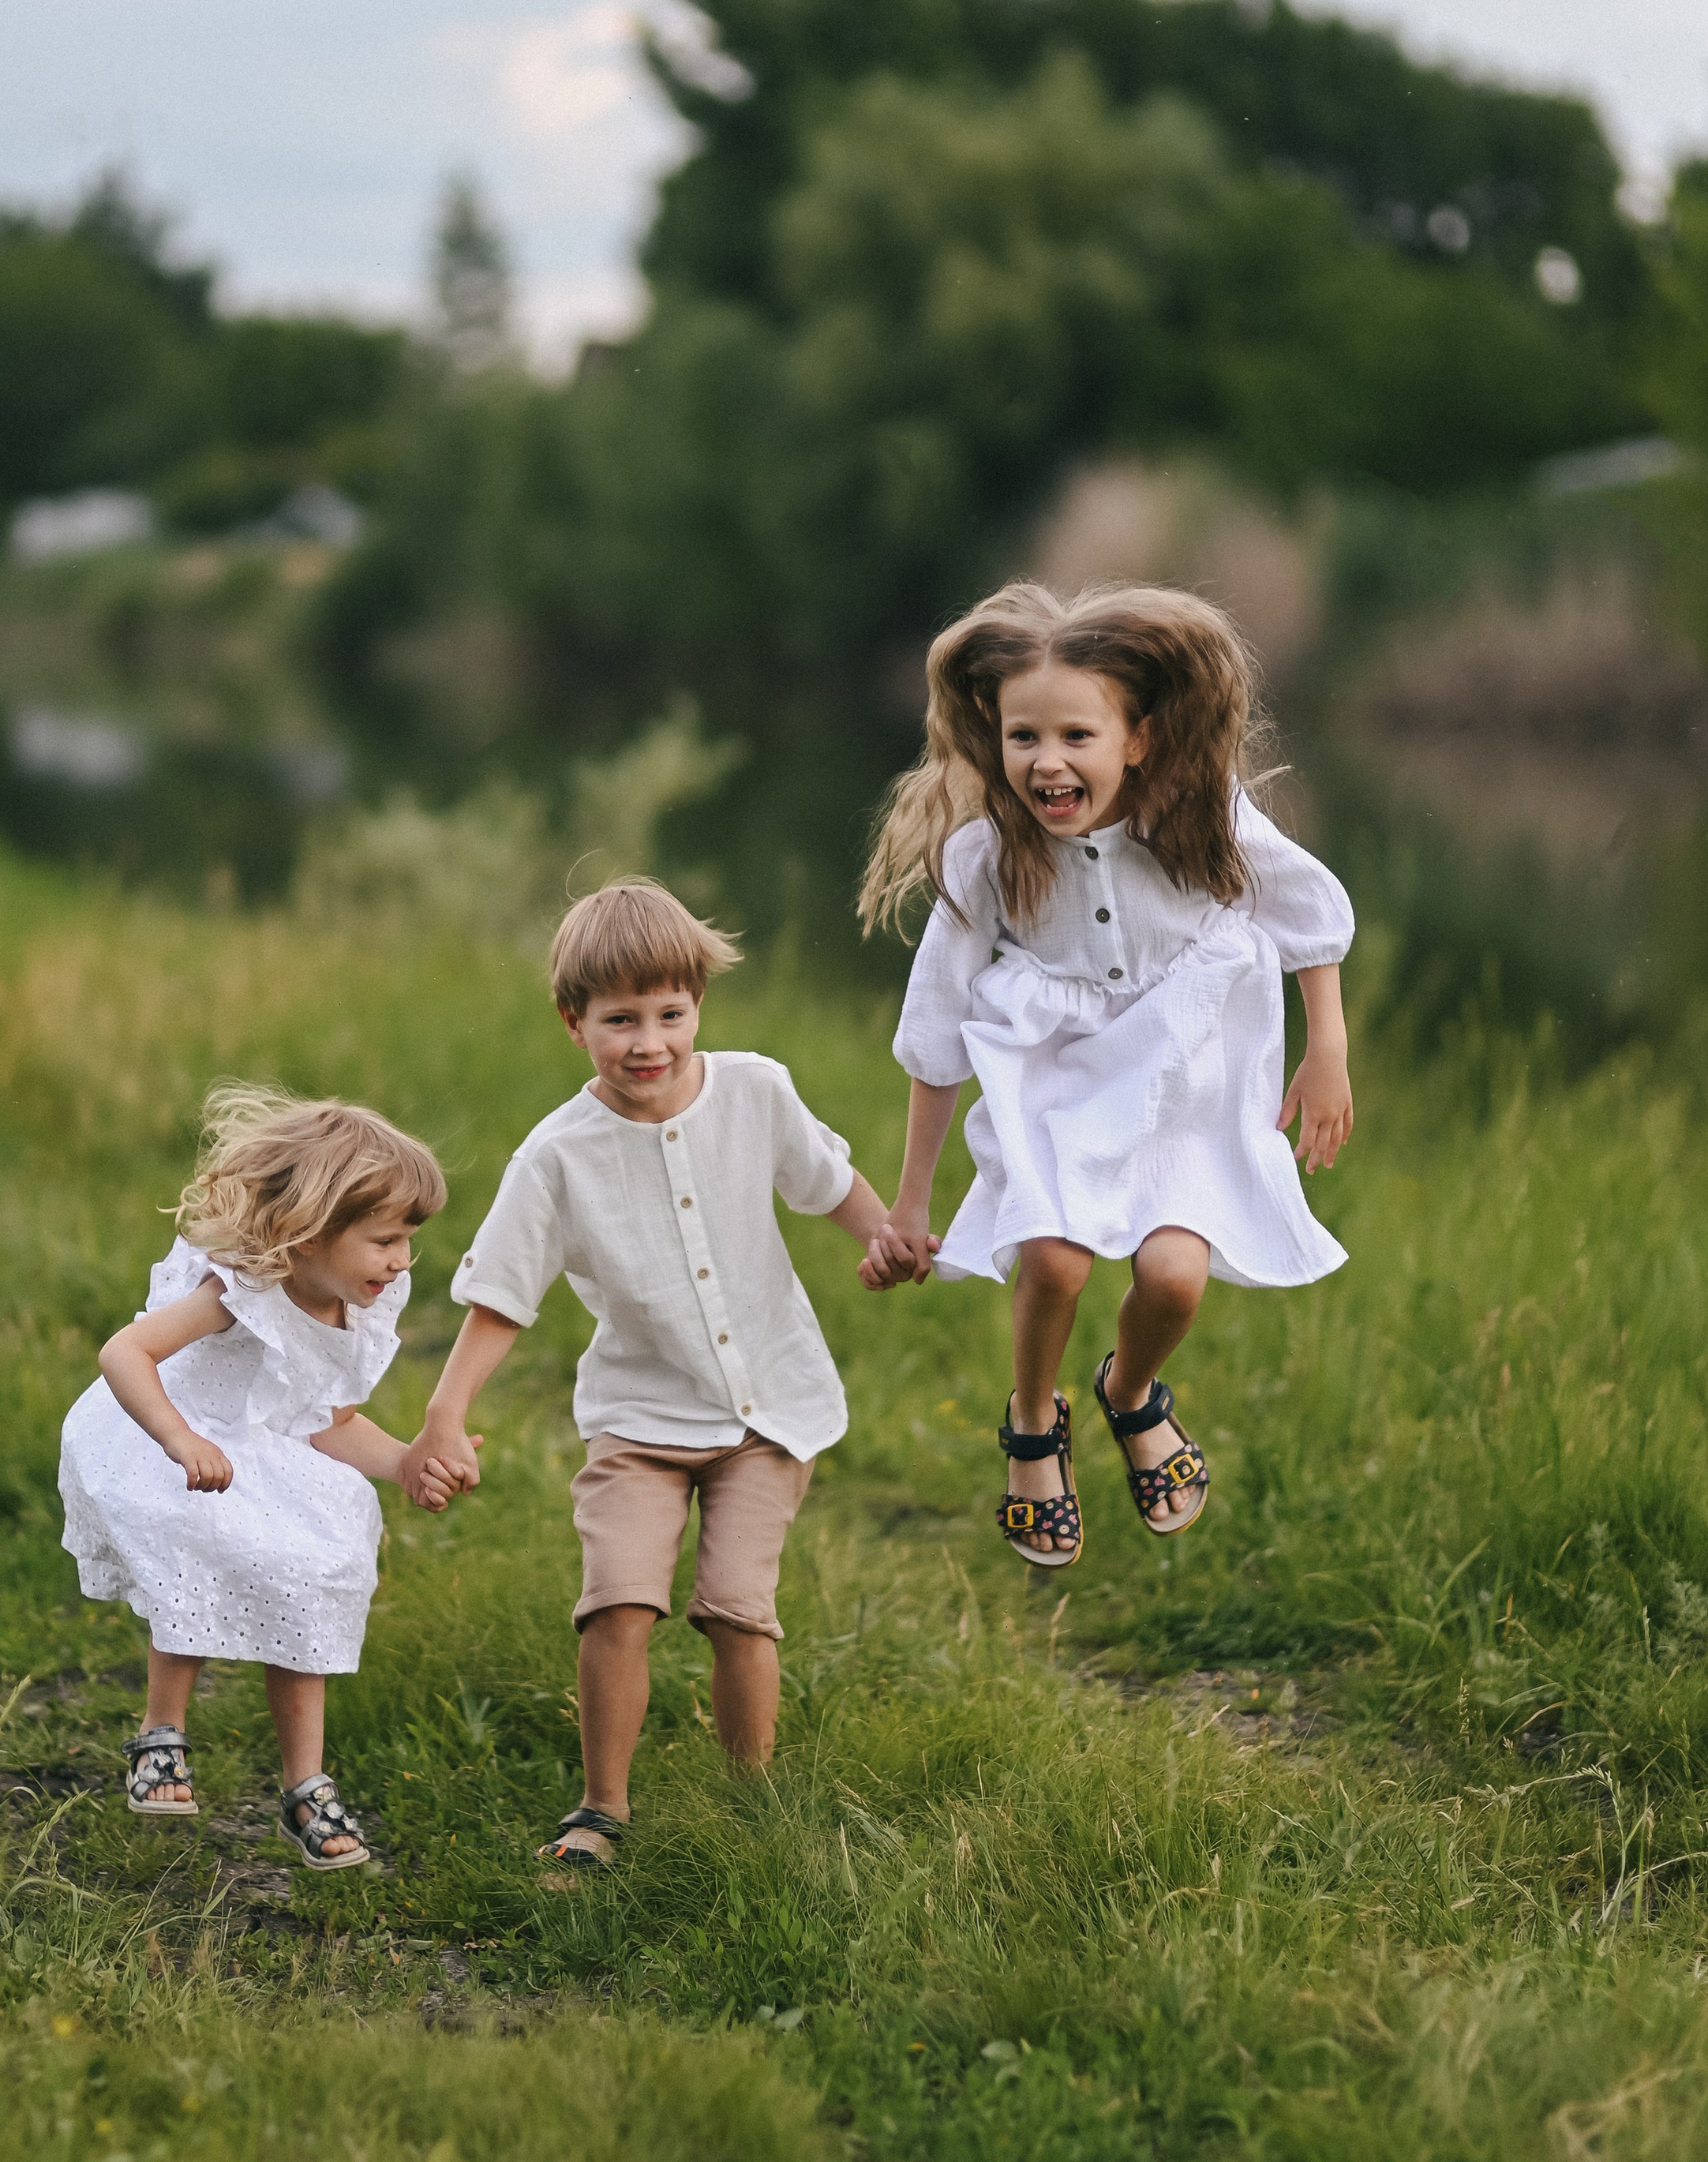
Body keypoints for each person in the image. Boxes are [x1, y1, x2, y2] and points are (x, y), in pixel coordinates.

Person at [406, 879, 911, 1869]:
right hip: (638, 1418)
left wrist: (884, 1234)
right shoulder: (556, 1155)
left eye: (670, 1014)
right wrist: (445, 1412)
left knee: (735, 1606)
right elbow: (502, 1293)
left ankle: (751, 1799)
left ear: (698, 1009)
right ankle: (602, 1807)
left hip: (769, 1409)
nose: (649, 1042)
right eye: (620, 1019)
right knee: (618, 1599)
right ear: (573, 1022)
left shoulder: (756, 1089)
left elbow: (825, 1179)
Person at [860, 579, 1354, 1573]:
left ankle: (1128, 1393)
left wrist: (1326, 1047)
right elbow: (936, 1027)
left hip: (1184, 1082)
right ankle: (1034, 1423)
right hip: (1054, 1083)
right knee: (1053, 1261)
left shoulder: (1203, 814)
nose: (1047, 760)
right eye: (1022, 736)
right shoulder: (987, 855)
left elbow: (1308, 913)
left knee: (1174, 1280)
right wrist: (913, 1199)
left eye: (1076, 735)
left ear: (1136, 738)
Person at [59, 1083, 450, 1869]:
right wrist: (178, 1437)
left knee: (313, 1568)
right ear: (306, 1235)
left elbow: (325, 1419)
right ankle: (159, 1735)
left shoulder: (356, 1304)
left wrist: (405, 1461)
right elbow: (124, 1353)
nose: (400, 1257)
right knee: (200, 1538)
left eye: (408, 1236)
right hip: (168, 1429)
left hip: (263, 1447)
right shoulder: (240, 1289)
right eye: (382, 1238)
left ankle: (305, 1785)